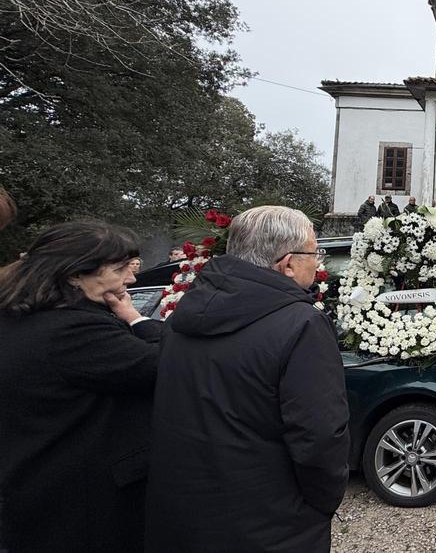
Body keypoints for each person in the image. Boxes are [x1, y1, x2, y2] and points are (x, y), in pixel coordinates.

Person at [145, 206, 349, 552]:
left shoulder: (186, 310)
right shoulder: (301, 324)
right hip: (272, 521)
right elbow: (319, 437)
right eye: (315, 253)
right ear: (287, 263)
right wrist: (322, 503)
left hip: (184, 512)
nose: (318, 262)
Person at [0, 222, 162, 553]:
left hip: (38, 487)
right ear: (75, 275)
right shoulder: (74, 332)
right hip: (84, 502)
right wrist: (138, 320)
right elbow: (168, 365)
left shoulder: (22, 317)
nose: (130, 279)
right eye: (119, 269)